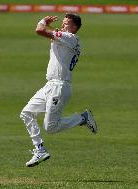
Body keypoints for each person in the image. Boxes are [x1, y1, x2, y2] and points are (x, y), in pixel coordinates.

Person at [20, 13, 98, 167]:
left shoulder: (70, 38)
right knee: (26, 113)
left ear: (74, 27)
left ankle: (82, 118)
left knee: (51, 128)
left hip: (59, 87)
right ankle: (40, 149)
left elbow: (39, 30)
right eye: (62, 23)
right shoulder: (66, 38)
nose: (63, 25)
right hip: (50, 85)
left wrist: (43, 21)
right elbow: (50, 34)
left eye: (66, 23)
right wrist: (50, 28)